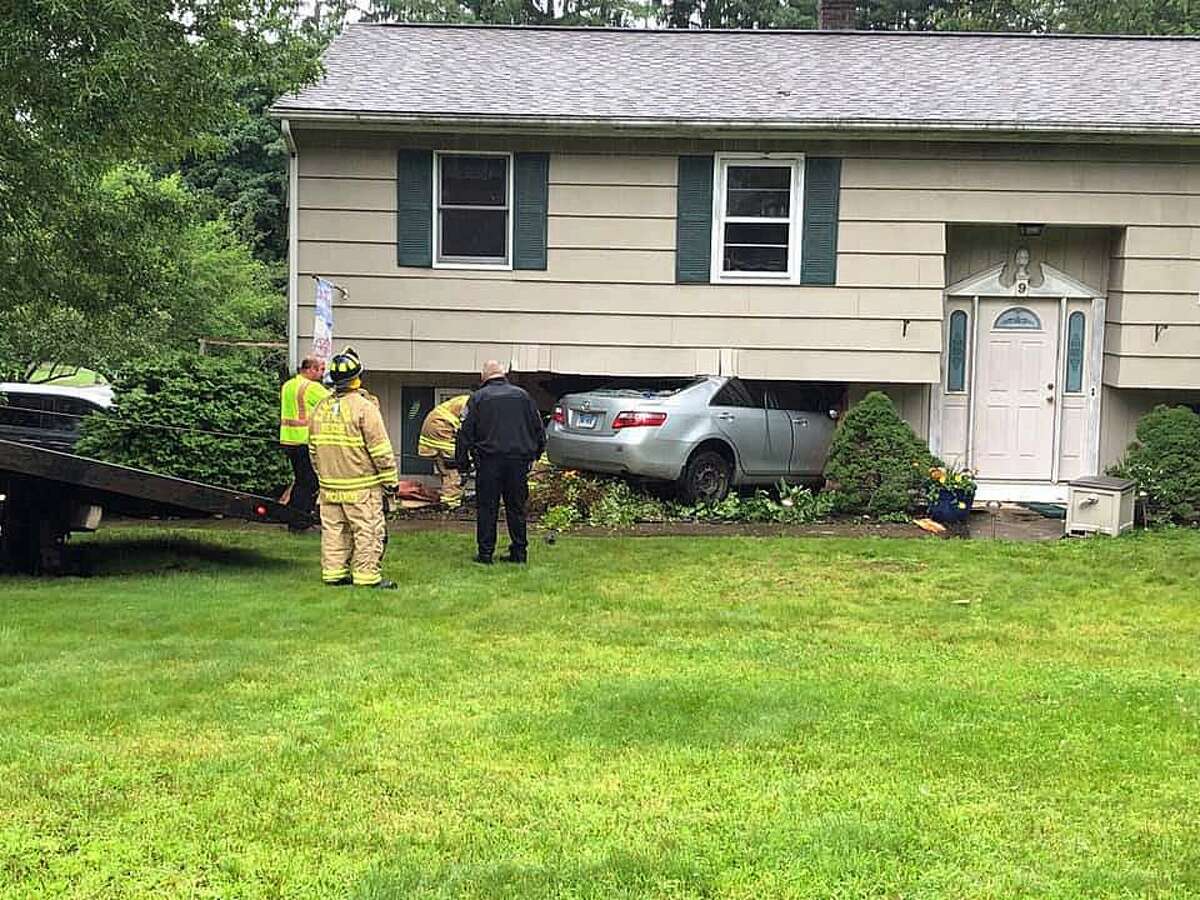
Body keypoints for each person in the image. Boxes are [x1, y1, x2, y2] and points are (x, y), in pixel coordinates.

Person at [308, 348, 399, 589]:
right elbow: (380, 449)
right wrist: (390, 481)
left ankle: (334, 573)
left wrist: (323, 476)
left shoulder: (321, 408)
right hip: (361, 487)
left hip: (329, 487)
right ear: (358, 377)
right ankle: (367, 577)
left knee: (334, 531)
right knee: (367, 531)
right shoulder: (364, 407)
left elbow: (314, 449)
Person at [456, 361, 545, 564]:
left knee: (487, 508)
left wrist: (462, 463)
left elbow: (464, 433)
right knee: (516, 507)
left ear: (483, 377)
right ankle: (519, 552)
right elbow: (538, 427)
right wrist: (537, 453)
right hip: (518, 462)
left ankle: (486, 553)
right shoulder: (523, 396)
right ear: (503, 374)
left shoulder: (477, 398)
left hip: (489, 462)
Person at [279, 357, 329, 528]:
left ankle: (295, 518)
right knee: (310, 482)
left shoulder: (288, 385)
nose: (323, 374)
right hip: (304, 441)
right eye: (321, 369)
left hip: (288, 440)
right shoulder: (312, 387)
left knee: (301, 480)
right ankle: (299, 521)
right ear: (311, 369)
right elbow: (333, 403)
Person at [418, 394, 470, 509]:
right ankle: (451, 504)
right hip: (442, 429)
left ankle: (448, 499)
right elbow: (470, 428)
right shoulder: (476, 405)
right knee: (455, 469)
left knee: (446, 470)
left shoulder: (467, 400)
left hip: (434, 428)